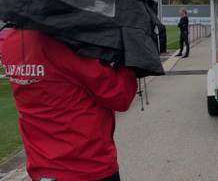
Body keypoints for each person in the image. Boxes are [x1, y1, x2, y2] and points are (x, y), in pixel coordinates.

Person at [1, 30, 137, 181]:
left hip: (41, 166)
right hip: (86, 167)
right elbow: (120, 95)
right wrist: (129, 63)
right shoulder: (68, 44)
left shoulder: (10, 40)